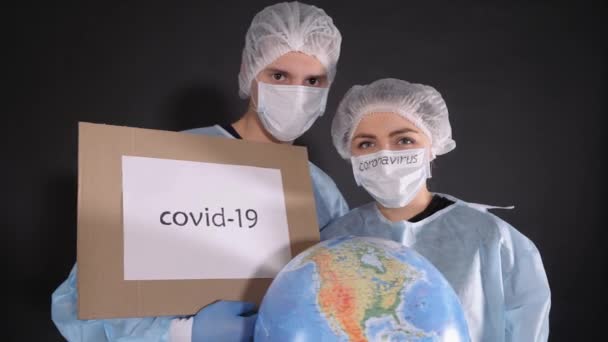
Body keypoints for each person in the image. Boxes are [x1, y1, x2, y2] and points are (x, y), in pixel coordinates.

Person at [51, 2, 348, 341]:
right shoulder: (166, 164)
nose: (296, 94)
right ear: (250, 71)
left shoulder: (322, 193)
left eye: (313, 80)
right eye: (279, 76)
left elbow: (340, 309)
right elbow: (81, 302)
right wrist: (182, 332)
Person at [321, 78, 551, 342]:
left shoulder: (490, 238)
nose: (385, 157)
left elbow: (525, 326)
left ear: (433, 147)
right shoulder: (335, 241)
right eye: (366, 144)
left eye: (404, 140)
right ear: (349, 154)